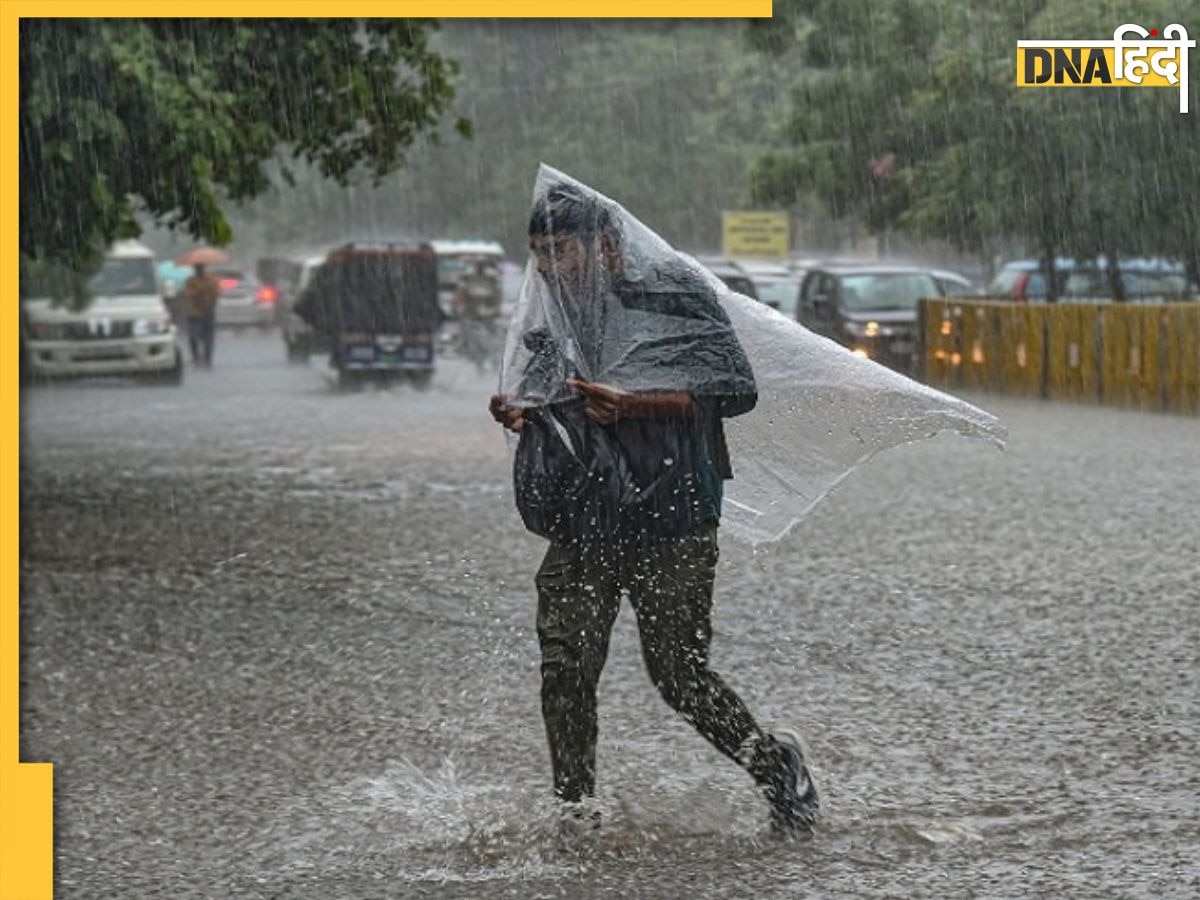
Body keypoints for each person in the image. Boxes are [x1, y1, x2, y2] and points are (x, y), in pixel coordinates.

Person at [488, 182, 819, 834]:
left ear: (607, 244)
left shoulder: (672, 291)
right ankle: (575, 811)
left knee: (677, 674)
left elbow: (735, 389)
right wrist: (522, 414)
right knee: (565, 668)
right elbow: (549, 394)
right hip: (586, 514)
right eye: (538, 254)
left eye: (562, 250)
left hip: (672, 514)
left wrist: (634, 404)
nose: (551, 268)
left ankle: (775, 767)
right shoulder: (553, 311)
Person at [453, 259, 504, 371]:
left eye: (482, 264)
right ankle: (477, 363)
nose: (480, 267)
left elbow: (498, 293)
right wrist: (460, 307)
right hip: (471, 313)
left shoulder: (492, 276)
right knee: (473, 340)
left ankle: (494, 363)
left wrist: (496, 308)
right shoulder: (468, 275)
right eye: (478, 264)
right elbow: (460, 292)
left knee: (491, 341)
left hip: (489, 313)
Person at [180, 264, 220, 368]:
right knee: (193, 336)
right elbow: (188, 294)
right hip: (194, 313)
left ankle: (207, 359)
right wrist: (199, 291)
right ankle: (196, 357)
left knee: (208, 339)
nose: (199, 270)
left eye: (200, 268)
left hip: (208, 312)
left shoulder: (211, 280)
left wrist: (209, 297)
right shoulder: (191, 281)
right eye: (197, 268)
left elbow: (217, 293)